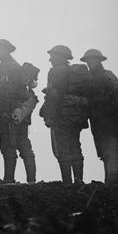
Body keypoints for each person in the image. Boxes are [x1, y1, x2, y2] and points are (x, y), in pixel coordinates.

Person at [39, 45, 90, 184]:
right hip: (77, 114)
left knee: (63, 148)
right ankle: (79, 180)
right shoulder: (73, 72)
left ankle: (67, 183)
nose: (50, 59)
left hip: (62, 114)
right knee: (75, 145)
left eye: (53, 56)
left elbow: (53, 96)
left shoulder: (55, 72)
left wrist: (49, 116)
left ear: (60, 57)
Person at [0, 38, 37, 183]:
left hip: (10, 112)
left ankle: (9, 180)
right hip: (20, 112)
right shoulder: (15, 66)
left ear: (5, 49)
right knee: (24, 144)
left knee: (9, 147)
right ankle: (31, 180)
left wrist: (3, 110)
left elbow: (6, 92)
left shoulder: (6, 66)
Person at [80, 48, 118, 184]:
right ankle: (109, 180)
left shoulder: (107, 75)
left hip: (109, 118)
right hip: (96, 120)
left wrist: (107, 103)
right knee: (103, 151)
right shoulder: (87, 77)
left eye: (92, 60)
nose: (89, 63)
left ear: (99, 61)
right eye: (88, 61)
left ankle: (112, 180)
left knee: (112, 149)